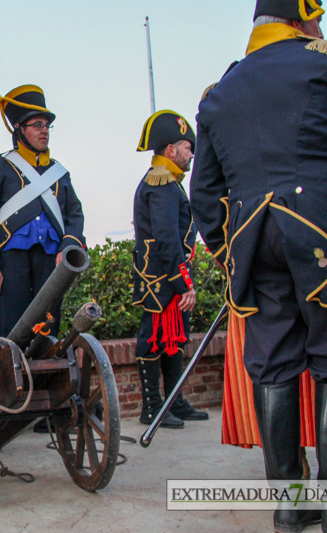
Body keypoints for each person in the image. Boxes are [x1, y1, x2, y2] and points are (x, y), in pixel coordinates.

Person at [190, 0, 327, 530]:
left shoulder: (219, 92)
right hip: (326, 233)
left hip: (253, 240)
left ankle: (290, 503)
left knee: (274, 367)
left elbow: (204, 194)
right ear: (304, 16)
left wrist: (229, 252)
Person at [0, 85, 85, 433]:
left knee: (47, 333)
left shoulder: (59, 174)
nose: (43, 130)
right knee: (9, 331)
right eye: (36, 124)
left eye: (46, 124)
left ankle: (43, 410)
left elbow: (74, 214)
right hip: (10, 264)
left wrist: (68, 247)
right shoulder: (0, 169)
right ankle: (5, 404)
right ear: (19, 129)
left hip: (47, 263)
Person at [132, 110, 208, 430]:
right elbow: (167, 239)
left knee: (173, 338)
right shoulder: (160, 181)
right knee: (153, 338)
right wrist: (184, 284)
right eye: (187, 147)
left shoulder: (168, 182)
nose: (192, 153)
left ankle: (173, 400)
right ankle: (152, 407)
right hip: (160, 279)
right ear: (170, 150)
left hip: (165, 276)